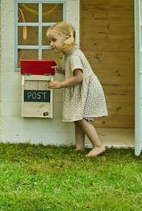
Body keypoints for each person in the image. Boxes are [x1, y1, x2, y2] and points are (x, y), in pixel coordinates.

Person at [45, 20, 108, 157]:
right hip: (82, 89)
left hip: (88, 89)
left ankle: (98, 145)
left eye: (54, 40)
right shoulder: (68, 55)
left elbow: (79, 77)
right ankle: (79, 146)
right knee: (77, 117)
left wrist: (61, 84)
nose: (51, 44)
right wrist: (62, 70)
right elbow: (74, 72)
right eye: (50, 41)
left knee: (82, 119)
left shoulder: (73, 56)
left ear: (67, 38)